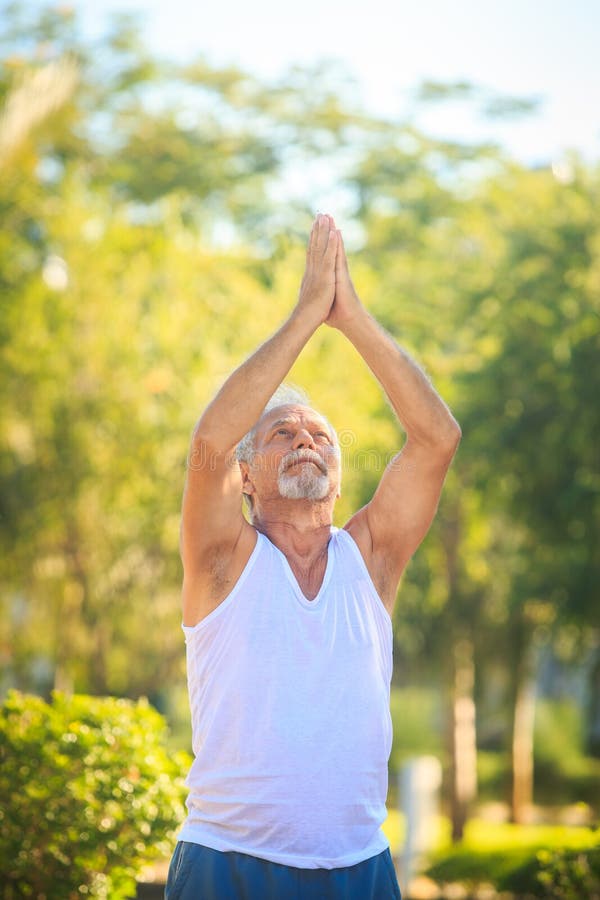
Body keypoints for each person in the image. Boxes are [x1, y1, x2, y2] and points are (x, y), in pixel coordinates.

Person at [165, 214, 461, 900]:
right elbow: (210, 443)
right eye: (280, 434)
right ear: (246, 476)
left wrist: (349, 315)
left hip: (360, 866)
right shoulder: (223, 561)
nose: (305, 439)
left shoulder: (372, 558)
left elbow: (436, 440)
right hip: (228, 864)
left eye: (320, 435)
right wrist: (305, 314)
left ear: (339, 470)